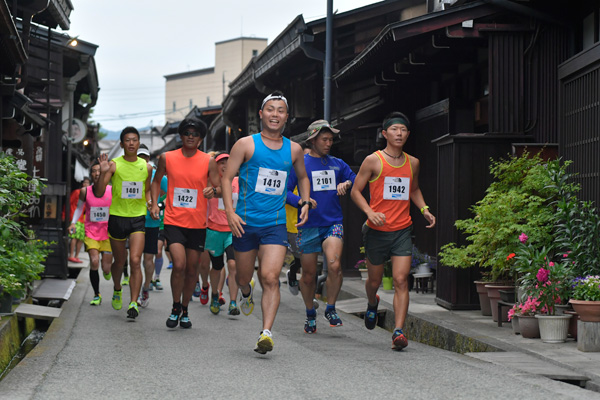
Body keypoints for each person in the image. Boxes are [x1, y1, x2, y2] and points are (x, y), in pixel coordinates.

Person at [222, 91, 311, 354]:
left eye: (280, 110)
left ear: (286, 116)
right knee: (243, 277)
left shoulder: (294, 149)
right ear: (261, 114)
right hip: (245, 223)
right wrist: (229, 211)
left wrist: (304, 201)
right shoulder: (246, 144)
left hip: (275, 224)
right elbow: (227, 179)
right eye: (270, 109)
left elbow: (304, 178)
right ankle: (246, 292)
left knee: (271, 276)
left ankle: (266, 333)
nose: (275, 114)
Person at [350, 112, 436, 350]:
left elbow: (414, 189)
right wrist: (369, 212)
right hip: (377, 231)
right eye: (394, 129)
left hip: (402, 230)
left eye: (403, 130)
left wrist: (424, 209)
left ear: (408, 134)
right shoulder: (373, 161)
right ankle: (371, 302)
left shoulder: (413, 162)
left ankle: (398, 331)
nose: (399, 133)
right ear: (384, 133)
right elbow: (356, 191)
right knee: (374, 281)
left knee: (400, 280)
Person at [150, 117, 220, 329]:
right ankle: (175, 306)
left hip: (198, 223)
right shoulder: (167, 157)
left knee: (192, 269)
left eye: (195, 134)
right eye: (187, 133)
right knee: (178, 264)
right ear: (181, 136)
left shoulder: (208, 161)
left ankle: (186, 310)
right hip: (173, 221)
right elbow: (155, 181)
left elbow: (218, 188)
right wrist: (154, 204)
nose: (190, 136)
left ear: (200, 139)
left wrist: (212, 191)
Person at [287, 120, 356, 333]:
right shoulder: (301, 164)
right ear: (312, 140)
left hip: (332, 222)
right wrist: (301, 202)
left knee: (334, 265)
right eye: (324, 139)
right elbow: (285, 192)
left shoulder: (337, 163)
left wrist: (348, 183)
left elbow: (355, 178)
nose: (329, 143)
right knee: (308, 274)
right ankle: (310, 313)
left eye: (331, 140)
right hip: (308, 225)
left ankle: (331, 308)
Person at [95, 127, 153, 320]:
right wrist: (103, 173)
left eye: (134, 140)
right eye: (127, 140)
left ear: (138, 143)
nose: (131, 143)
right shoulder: (114, 165)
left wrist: (151, 204)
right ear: (121, 144)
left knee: (136, 260)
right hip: (117, 217)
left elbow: (146, 191)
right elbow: (99, 192)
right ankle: (117, 288)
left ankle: (134, 302)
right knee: (120, 262)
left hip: (137, 218)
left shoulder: (147, 167)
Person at [69, 162, 112, 305]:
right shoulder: (85, 191)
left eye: (99, 171)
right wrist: (73, 222)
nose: (97, 173)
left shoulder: (112, 190)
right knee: (94, 261)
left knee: (106, 267)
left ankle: (107, 271)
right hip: (91, 231)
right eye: (94, 171)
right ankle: (96, 294)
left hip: (108, 233)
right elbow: (79, 208)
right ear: (91, 174)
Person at [203, 152, 240, 315]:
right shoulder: (209, 183)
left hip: (233, 230)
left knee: (233, 264)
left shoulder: (239, 182)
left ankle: (233, 302)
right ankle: (215, 294)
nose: (225, 165)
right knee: (217, 266)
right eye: (221, 163)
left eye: (228, 162)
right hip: (213, 231)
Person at [137, 144, 167, 307]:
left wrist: (159, 204)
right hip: (133, 220)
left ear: (149, 159)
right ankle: (134, 292)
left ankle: (146, 288)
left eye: (145, 157)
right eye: (139, 157)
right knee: (134, 259)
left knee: (148, 259)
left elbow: (170, 192)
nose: (142, 160)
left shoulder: (157, 175)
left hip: (152, 222)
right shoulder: (130, 174)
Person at [68, 177, 90, 263]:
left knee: (81, 238)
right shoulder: (77, 192)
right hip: (74, 217)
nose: (85, 184)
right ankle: (71, 255)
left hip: (82, 219)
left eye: (87, 183)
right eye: (84, 182)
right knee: (74, 236)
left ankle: (76, 256)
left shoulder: (88, 194)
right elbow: (69, 202)